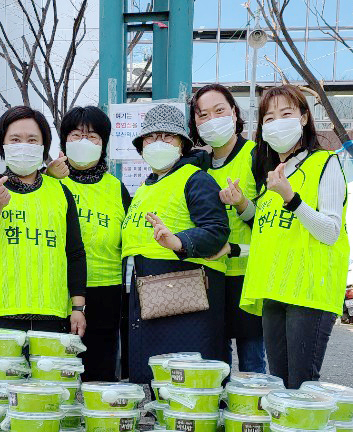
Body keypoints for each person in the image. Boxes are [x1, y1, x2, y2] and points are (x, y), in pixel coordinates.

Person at [239, 84, 349, 389]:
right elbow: (270, 237)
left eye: (286, 113)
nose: (277, 123)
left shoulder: (325, 163)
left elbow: (329, 231)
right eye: (269, 118)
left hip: (308, 293)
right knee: (279, 384)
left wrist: (292, 198)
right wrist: (239, 212)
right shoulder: (271, 176)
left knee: (301, 385)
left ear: (303, 118)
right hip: (275, 291)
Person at [121, 104, 230, 383]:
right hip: (146, 293)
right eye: (150, 137)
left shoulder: (196, 180)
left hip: (183, 296)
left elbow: (217, 231)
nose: (158, 143)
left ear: (182, 144)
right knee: (155, 379)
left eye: (167, 136)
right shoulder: (145, 187)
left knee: (185, 378)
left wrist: (179, 241)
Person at [0, 106, 87, 335]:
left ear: (43, 147)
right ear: (2, 145)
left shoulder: (61, 192)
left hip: (51, 315)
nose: (24, 145)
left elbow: (75, 252)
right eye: (15, 139)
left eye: (32, 140)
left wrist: (78, 307)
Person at [48, 106, 131, 380]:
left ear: (104, 144)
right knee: (60, 373)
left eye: (93, 136)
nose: (84, 142)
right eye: (75, 135)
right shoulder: (49, 183)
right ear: (63, 142)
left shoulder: (116, 188)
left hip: (106, 291)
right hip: (59, 290)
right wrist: (49, 179)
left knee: (101, 373)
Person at [189, 83, 265, 373]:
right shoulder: (197, 165)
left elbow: (272, 225)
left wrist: (243, 204)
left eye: (219, 110)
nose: (212, 120)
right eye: (203, 115)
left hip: (247, 274)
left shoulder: (256, 156)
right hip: (209, 275)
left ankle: (251, 415)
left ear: (234, 112)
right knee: (213, 359)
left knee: (252, 360)